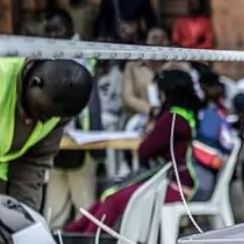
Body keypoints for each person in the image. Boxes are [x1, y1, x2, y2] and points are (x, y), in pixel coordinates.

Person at [66, 70, 201, 233]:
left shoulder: (172, 119)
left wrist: (151, 129)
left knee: (113, 200)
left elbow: (145, 150)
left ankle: (89, 242)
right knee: (108, 195)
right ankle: (72, 235)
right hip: (170, 182)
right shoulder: (184, 115)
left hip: (174, 187)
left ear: (166, 93)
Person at [0, 58, 93, 244]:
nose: (43, 122)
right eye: (42, 112)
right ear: (34, 83)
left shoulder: (57, 110)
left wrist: (23, 225)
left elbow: (31, 166)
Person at [41, 10, 104, 228]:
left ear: (69, 28)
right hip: (53, 143)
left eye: (57, 29)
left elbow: (90, 107)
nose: (53, 35)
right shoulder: (47, 55)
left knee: (85, 209)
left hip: (81, 142)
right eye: (49, 31)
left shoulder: (82, 56)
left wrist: (96, 144)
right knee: (53, 212)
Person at [121, 26, 193, 119]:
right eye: (154, 38)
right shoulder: (132, 67)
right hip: (141, 116)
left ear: (169, 43)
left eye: (163, 38)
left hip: (173, 117)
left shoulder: (179, 66)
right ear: (146, 42)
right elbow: (128, 97)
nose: (159, 42)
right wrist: (151, 110)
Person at [190, 70, 235, 201]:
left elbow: (206, 142)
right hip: (210, 169)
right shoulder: (218, 110)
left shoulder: (211, 114)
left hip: (205, 173)